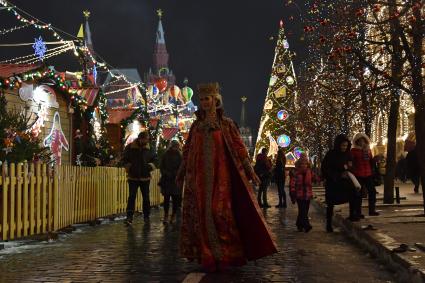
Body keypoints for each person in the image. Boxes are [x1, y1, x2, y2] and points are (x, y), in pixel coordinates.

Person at [176, 82, 277, 272]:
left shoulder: (227, 124)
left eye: (208, 98)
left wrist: (250, 171)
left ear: (216, 100)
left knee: (219, 213)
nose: (205, 102)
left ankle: (227, 253)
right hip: (199, 179)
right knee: (203, 215)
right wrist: (181, 172)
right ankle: (209, 256)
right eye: (202, 99)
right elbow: (188, 150)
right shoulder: (197, 126)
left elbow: (239, 149)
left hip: (222, 178)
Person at [321, 134, 355, 232]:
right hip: (333, 183)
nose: (344, 147)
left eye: (345, 145)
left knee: (352, 197)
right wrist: (337, 175)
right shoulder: (331, 154)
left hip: (345, 183)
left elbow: (352, 166)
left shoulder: (348, 154)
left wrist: (349, 170)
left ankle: (352, 216)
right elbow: (325, 168)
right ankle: (328, 224)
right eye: (342, 145)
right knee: (330, 204)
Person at [122, 131, 157, 226]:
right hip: (133, 177)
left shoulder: (150, 149)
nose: (146, 140)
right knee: (131, 197)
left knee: (146, 197)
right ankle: (129, 216)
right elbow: (124, 159)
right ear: (140, 138)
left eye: (147, 139)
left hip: (145, 177)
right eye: (145, 139)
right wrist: (129, 167)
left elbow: (155, 159)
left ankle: (146, 216)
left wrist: (150, 166)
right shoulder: (130, 148)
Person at [351, 133, 379, 217]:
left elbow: (370, 161)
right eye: (359, 141)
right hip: (358, 175)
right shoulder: (353, 151)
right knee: (358, 194)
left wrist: (376, 159)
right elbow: (352, 162)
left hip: (368, 174)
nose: (362, 143)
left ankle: (372, 210)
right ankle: (358, 212)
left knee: (372, 192)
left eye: (363, 141)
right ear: (356, 142)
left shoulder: (368, 150)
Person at [159, 140, 183, 224]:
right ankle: (166, 215)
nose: (174, 148)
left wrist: (176, 174)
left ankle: (173, 215)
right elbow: (161, 166)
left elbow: (181, 167)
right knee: (166, 198)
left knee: (175, 199)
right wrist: (166, 173)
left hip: (175, 180)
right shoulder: (166, 155)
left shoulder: (180, 155)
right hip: (167, 180)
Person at [290, 154, 313, 232]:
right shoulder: (296, 173)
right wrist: (293, 192)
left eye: (305, 164)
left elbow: (315, 179)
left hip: (308, 195)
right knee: (302, 210)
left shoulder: (309, 172)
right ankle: (307, 225)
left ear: (307, 164)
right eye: (302, 164)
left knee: (304, 211)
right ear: (299, 164)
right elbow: (292, 183)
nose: (304, 165)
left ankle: (299, 224)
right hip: (299, 195)